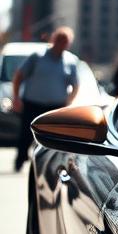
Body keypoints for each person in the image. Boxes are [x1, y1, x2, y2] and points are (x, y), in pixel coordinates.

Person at [11, 26, 81, 172]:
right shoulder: (38, 56)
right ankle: (20, 160)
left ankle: (49, 166)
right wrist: (16, 97)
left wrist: (69, 101)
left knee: (53, 139)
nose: (62, 44)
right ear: (54, 40)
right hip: (33, 103)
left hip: (55, 107)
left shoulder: (70, 61)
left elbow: (75, 85)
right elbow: (19, 76)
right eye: (60, 40)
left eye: (66, 41)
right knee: (26, 134)